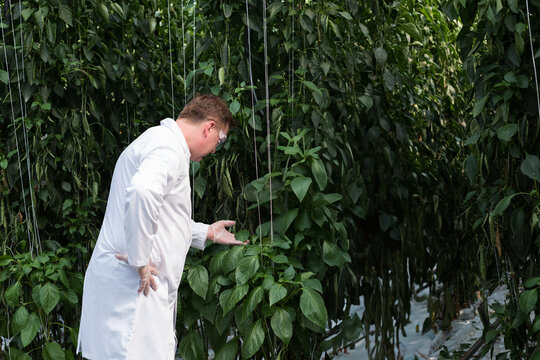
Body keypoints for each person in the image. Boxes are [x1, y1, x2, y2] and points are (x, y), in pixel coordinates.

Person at [77, 94, 247, 360]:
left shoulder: (159, 141)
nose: (215, 150)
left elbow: (160, 216)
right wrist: (140, 261)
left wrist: (206, 232)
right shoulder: (168, 148)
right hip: (132, 296)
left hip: (128, 293)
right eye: (221, 140)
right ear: (209, 127)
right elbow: (143, 193)